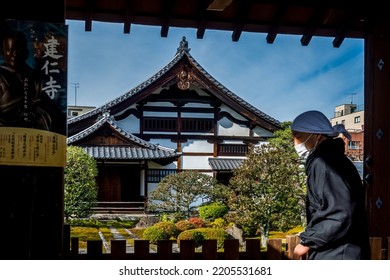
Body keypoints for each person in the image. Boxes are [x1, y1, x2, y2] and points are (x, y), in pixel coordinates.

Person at [291, 110, 370, 260]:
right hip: (341, 250)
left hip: (338, 253)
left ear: (317, 135)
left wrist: (308, 241)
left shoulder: (325, 164)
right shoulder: (332, 160)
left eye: (298, 136)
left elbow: (340, 212)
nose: (295, 143)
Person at [0, 30, 65, 134]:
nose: (15, 54)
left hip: (32, 131)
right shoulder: (1, 75)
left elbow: (48, 107)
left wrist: (37, 113)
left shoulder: (34, 76)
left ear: (26, 52)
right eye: (10, 50)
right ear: (3, 52)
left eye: (18, 49)